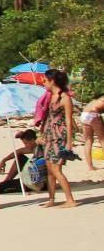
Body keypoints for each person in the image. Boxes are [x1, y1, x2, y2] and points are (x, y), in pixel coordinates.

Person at [37, 69, 78, 208]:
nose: (43, 83)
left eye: (45, 80)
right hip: (49, 135)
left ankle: (70, 200)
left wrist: (69, 143)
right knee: (49, 169)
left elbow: (68, 120)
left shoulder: (65, 97)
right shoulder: (50, 96)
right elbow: (47, 117)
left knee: (56, 169)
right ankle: (51, 199)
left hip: (60, 136)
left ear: (52, 81)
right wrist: (41, 133)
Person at [0, 130, 42, 195]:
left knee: (4, 186)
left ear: (33, 140)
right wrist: (4, 160)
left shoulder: (41, 149)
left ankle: (3, 185)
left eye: (26, 143)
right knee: (20, 157)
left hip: (38, 182)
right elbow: (19, 151)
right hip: (33, 174)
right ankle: (6, 181)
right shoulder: (34, 147)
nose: (25, 146)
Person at [79, 91, 104, 173]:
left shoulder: (97, 99)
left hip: (84, 114)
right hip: (93, 113)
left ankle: (90, 167)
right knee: (102, 140)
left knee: (88, 141)